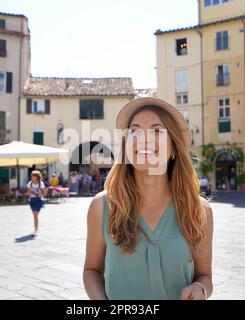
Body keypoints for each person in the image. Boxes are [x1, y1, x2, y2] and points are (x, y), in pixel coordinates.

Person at [83, 97, 214, 300]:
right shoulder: (102, 206)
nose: (144, 138)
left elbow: (204, 276)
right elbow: (91, 271)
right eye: (134, 130)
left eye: (156, 131)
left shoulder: (199, 210)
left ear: (173, 149)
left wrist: (200, 288)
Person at [25, 170, 47, 237]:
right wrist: (29, 193)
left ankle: (35, 230)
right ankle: (36, 229)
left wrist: (38, 193)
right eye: (31, 176)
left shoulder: (41, 183)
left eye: (33, 176)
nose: (32, 177)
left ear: (37, 177)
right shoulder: (30, 183)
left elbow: (44, 193)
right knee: (35, 215)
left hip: (39, 200)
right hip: (32, 200)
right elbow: (27, 193)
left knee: (35, 214)